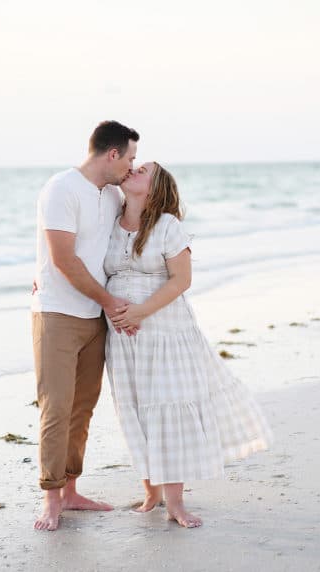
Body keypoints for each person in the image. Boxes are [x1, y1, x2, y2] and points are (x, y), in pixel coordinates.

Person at [105, 162, 272, 527]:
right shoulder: (110, 223)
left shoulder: (167, 226)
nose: (134, 168)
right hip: (122, 340)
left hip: (165, 332)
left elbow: (182, 280)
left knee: (166, 409)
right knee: (134, 410)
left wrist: (140, 313)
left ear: (154, 187)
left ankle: (175, 503)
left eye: (143, 169)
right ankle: (152, 492)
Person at [31, 120, 139, 531]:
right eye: (128, 158)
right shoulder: (61, 188)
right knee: (55, 408)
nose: (131, 166)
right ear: (111, 154)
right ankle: (51, 498)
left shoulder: (112, 194)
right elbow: (62, 257)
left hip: (94, 317)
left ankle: (72, 490)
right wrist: (111, 302)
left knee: (82, 409)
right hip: (58, 313)